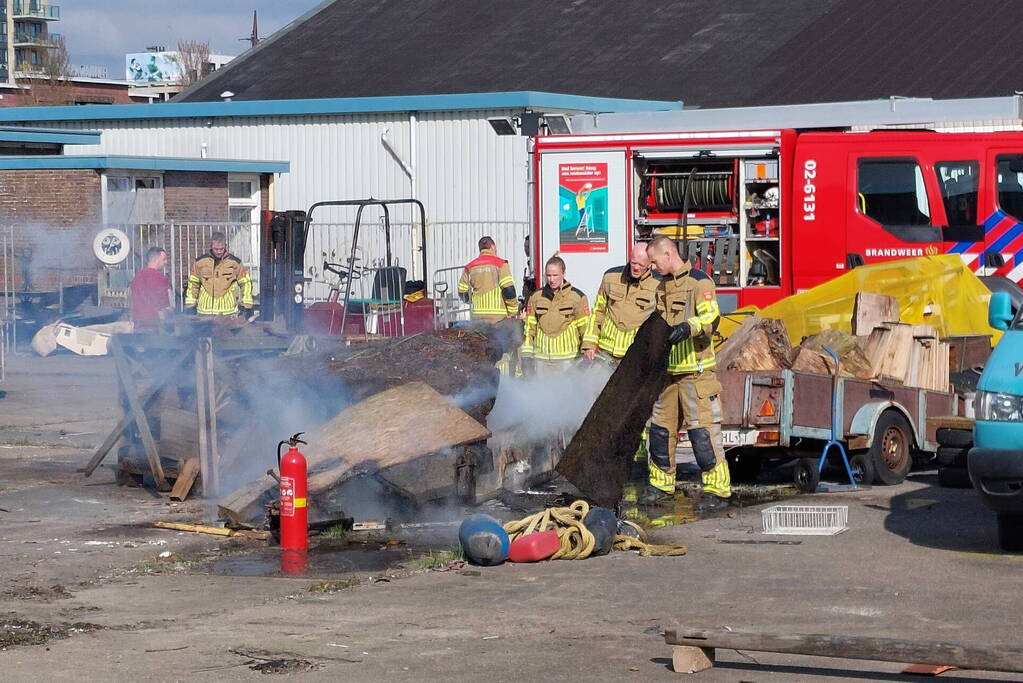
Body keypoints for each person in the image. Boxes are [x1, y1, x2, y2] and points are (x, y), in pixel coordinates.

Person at [642, 236, 732, 511]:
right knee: (660, 431)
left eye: (655, 261)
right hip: (668, 373)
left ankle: (717, 489)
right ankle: (661, 485)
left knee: (702, 433)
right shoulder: (662, 285)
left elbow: (711, 317)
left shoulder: (699, 282)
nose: (653, 268)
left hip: (696, 372)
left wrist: (689, 327)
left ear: (668, 254)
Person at [582, 242, 659, 363]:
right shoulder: (610, 277)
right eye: (633, 262)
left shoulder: (658, 285)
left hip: (634, 355)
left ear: (649, 264)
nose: (636, 268)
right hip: (605, 353)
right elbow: (598, 311)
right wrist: (589, 344)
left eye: (641, 265)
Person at [520, 255, 589, 375]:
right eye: (548, 275)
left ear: (563, 274)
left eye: (555, 275)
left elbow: (585, 328)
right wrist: (526, 357)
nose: (551, 280)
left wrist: (586, 353)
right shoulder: (536, 297)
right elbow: (529, 328)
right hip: (541, 359)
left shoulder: (577, 297)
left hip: (568, 361)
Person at [184, 232, 254, 317]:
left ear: (226, 246)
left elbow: (245, 283)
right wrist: (190, 306)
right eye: (216, 249)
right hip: (204, 314)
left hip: (227, 314)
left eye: (221, 249)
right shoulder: (200, 262)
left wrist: (247, 305)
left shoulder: (235, 263)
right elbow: (193, 284)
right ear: (211, 246)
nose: (219, 252)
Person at [457, 236, 518, 323]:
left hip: (478, 318)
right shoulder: (501, 264)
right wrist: (513, 311)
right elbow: (508, 289)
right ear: (493, 247)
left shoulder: (470, 267)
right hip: (498, 318)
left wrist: (473, 301)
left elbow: (462, 291)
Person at [128, 246, 172, 331]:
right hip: (154, 326)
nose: (166, 262)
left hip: (138, 325)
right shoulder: (159, 278)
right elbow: (164, 307)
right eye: (164, 259)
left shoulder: (137, 277)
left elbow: (131, 300)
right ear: (155, 259)